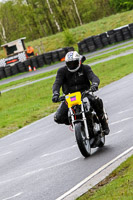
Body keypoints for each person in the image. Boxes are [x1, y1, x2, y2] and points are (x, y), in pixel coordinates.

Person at [52, 51, 110, 135]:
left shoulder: (85, 68)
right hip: (70, 97)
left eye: (74, 63)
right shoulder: (62, 71)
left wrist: (94, 84)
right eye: (69, 64)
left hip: (84, 93)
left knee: (96, 101)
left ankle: (104, 124)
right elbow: (57, 83)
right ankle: (75, 122)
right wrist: (55, 93)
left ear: (79, 61)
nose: (72, 65)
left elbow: (93, 77)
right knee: (58, 117)